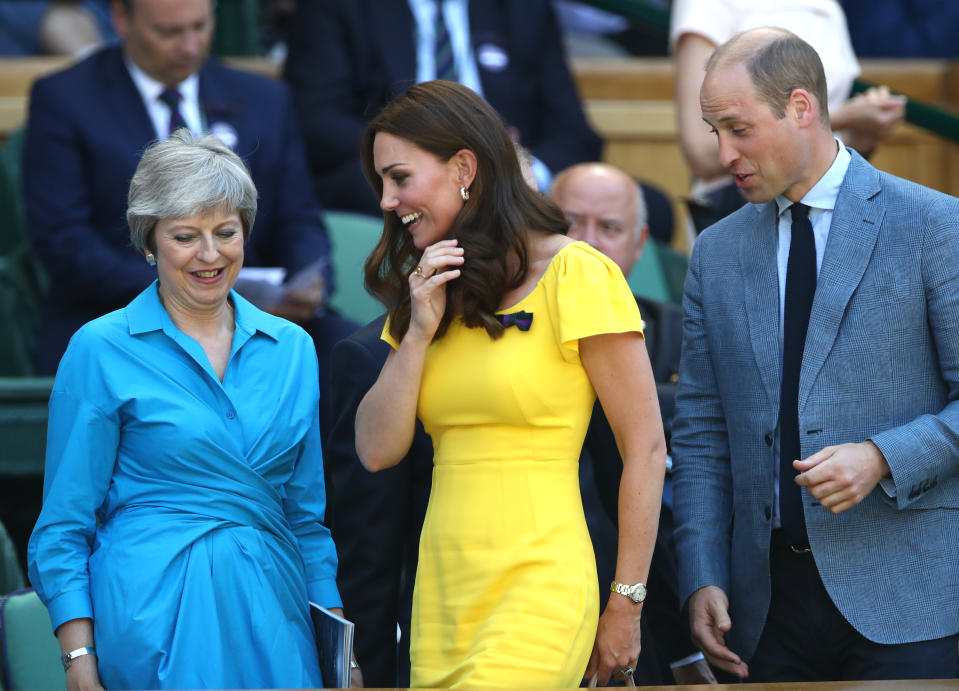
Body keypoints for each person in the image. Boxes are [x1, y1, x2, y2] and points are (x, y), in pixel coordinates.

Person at [354, 80, 665, 687]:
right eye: (383, 184)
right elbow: (374, 449)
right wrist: (417, 331)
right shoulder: (431, 284)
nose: (388, 200)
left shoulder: (579, 274)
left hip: (539, 585)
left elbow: (646, 451)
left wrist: (625, 603)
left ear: (464, 168)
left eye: (399, 178)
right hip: (442, 591)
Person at [671, 27, 959, 682]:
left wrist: (881, 455)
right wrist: (701, 576)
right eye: (712, 131)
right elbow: (699, 434)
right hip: (760, 608)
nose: (722, 153)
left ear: (800, 107)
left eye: (737, 128)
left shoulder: (935, 225)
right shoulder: (714, 252)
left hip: (908, 600)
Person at [27, 131, 342, 691]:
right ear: (149, 244)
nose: (210, 254)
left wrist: (342, 655)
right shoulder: (100, 348)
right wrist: (79, 661)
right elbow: (63, 528)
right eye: (184, 237)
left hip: (275, 618)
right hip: (150, 621)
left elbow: (306, 520)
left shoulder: (293, 347)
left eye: (226, 232)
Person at [23, 0, 356, 436]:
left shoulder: (264, 99)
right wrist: (191, 290)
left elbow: (299, 217)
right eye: (169, 31)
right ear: (121, 19)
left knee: (347, 351)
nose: (190, 44)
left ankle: (333, 504)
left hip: (260, 313)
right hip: (123, 312)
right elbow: (64, 243)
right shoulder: (67, 99)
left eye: (201, 26)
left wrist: (311, 281)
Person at [549, 162, 714, 686]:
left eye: (610, 228)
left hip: (664, 594)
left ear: (641, 243)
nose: (588, 244)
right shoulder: (509, 337)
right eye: (570, 224)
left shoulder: (687, 335)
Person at [282, 0, 602, 215]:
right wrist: (425, 153)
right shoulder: (338, 6)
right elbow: (316, 121)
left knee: (630, 203)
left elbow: (574, 133)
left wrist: (522, 170)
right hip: (390, 177)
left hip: (510, 178)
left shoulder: (522, 8)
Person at [671, 0, 906, 235]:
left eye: (740, 129)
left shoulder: (828, 6)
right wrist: (842, 118)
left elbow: (825, 136)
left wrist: (859, 135)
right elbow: (701, 151)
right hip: (746, 213)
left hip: (832, 203)